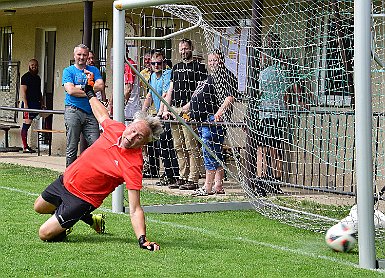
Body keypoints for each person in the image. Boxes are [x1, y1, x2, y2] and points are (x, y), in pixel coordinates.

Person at [33, 85, 163, 251]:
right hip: (65, 181)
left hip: (82, 199)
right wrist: (89, 92)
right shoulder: (116, 129)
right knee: (38, 207)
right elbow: (101, 114)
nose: (131, 137)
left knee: (44, 234)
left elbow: (135, 207)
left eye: (139, 137)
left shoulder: (134, 165)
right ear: (129, 126)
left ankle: (69, 221)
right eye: (133, 130)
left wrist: (143, 240)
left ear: (144, 143)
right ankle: (89, 220)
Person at [182, 50, 237, 196]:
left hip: (213, 120)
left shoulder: (225, 76)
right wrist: (181, 110)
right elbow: (197, 96)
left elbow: (229, 97)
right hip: (203, 119)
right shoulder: (210, 77)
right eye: (210, 60)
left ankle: (207, 187)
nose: (212, 63)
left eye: (215, 60)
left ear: (222, 61)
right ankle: (218, 185)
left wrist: (219, 113)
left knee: (209, 151)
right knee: (216, 152)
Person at [162, 38, 207, 190]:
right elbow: (171, 89)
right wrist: (167, 108)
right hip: (175, 109)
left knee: (191, 145)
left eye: (186, 48)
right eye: (181, 49)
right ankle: (182, 176)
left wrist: (189, 105)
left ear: (191, 48)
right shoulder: (176, 68)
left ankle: (193, 179)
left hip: (190, 110)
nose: (183, 51)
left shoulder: (199, 67)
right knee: (178, 145)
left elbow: (200, 90)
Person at [63, 44, 105, 167]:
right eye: (79, 54)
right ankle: (68, 178)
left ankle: (93, 175)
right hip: (73, 111)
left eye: (84, 55)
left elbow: (101, 86)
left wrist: (79, 88)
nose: (81, 57)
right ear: (74, 55)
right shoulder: (68, 71)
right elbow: (70, 91)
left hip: (91, 112)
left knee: (97, 146)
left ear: (88, 56)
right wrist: (89, 90)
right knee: (72, 147)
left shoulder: (94, 70)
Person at [142, 51, 179, 186]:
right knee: (158, 144)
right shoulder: (152, 76)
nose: (156, 65)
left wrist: (160, 114)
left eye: (159, 63)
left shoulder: (167, 74)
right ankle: (161, 172)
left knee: (167, 145)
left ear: (164, 63)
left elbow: (165, 94)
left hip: (166, 115)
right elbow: (150, 96)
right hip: (158, 114)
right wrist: (142, 113)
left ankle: (172, 174)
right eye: (153, 63)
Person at [20, 59, 44, 153]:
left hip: (36, 103)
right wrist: (26, 105)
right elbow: (23, 92)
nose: (34, 66)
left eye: (35, 65)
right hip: (28, 104)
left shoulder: (37, 78)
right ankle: (25, 146)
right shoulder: (25, 77)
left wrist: (42, 102)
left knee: (45, 117)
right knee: (26, 124)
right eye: (32, 65)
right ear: (29, 66)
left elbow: (39, 91)